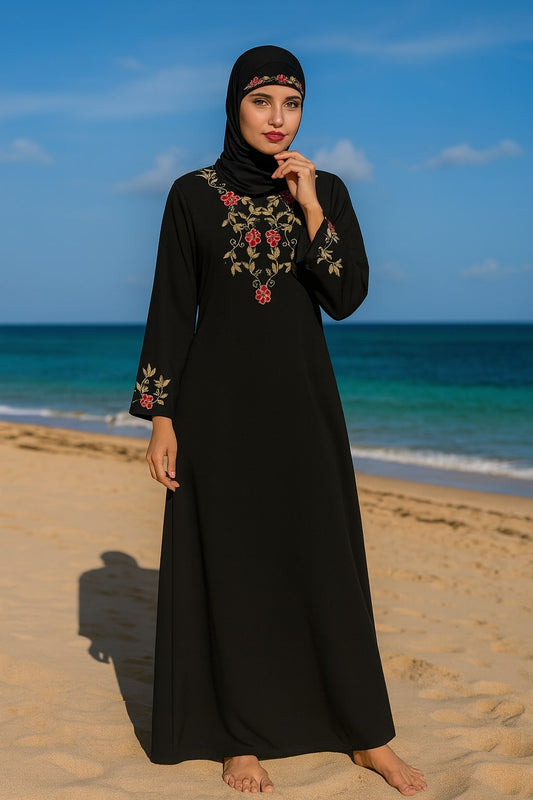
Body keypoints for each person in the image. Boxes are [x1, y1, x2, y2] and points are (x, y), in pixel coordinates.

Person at [130, 45, 426, 796]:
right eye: (262, 102)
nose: (277, 118)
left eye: (290, 104)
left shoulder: (322, 187)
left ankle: (365, 735)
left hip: (301, 405)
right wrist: (161, 415)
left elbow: (345, 295)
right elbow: (171, 305)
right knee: (233, 565)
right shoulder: (190, 194)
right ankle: (238, 738)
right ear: (234, 105)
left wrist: (312, 207)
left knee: (324, 559)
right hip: (217, 409)